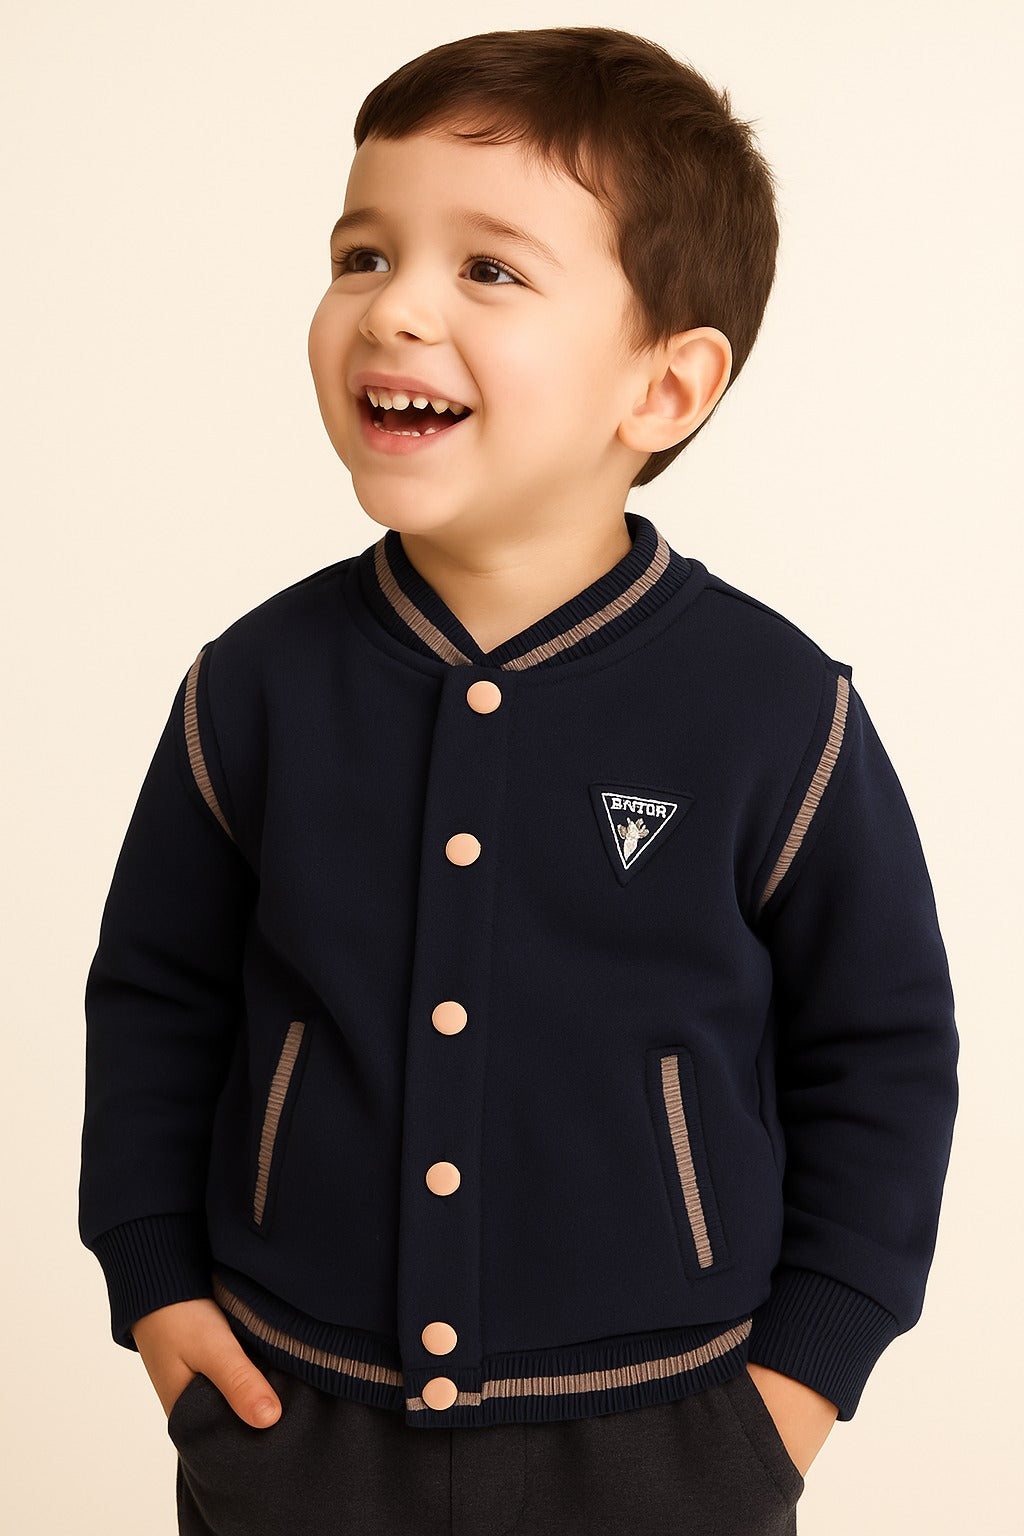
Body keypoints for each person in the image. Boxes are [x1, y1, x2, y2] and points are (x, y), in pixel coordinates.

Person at [78, 25, 960, 1536]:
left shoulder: (773, 711)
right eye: (362, 254)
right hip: (293, 1422)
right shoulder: (255, 686)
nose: (394, 307)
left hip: (669, 1441)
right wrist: (156, 1286)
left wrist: (799, 1388)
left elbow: (882, 1050)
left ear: (665, 388)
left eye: (488, 268)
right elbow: (157, 997)